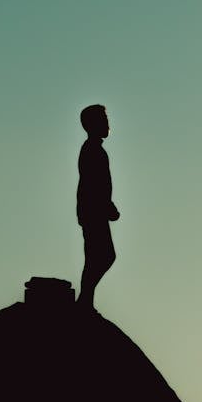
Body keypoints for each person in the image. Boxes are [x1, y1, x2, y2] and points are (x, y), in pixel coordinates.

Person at [76, 105, 119, 309]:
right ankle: (85, 299)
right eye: (103, 119)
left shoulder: (95, 149)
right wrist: (105, 206)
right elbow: (91, 184)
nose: (107, 123)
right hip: (93, 212)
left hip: (94, 211)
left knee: (98, 256)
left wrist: (108, 205)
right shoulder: (92, 150)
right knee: (102, 256)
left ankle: (86, 299)